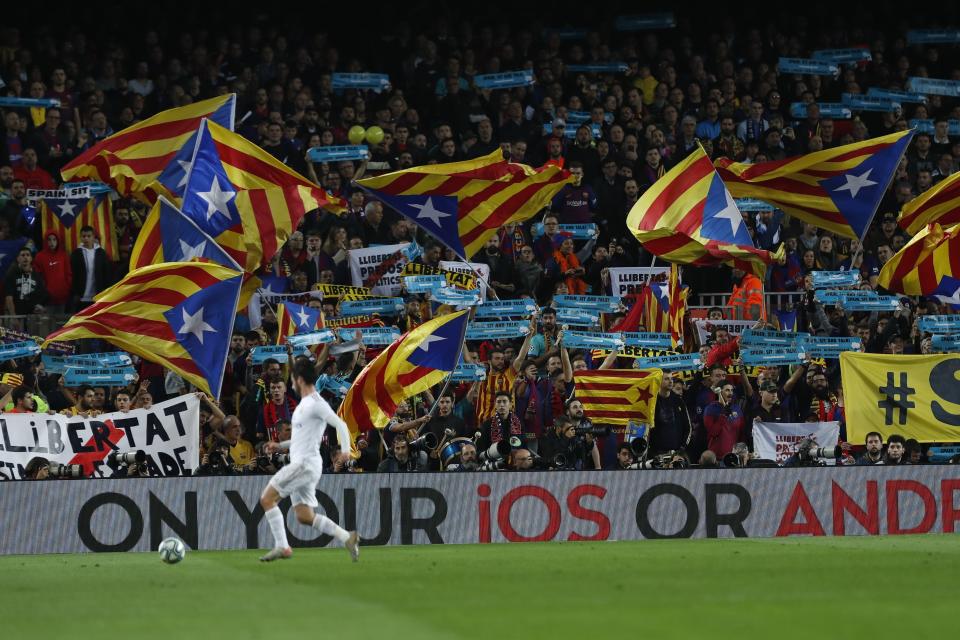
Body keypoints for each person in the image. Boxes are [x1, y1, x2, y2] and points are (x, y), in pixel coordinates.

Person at [258, 359, 359, 562]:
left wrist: (346, 451)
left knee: (267, 499)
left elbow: (340, 424)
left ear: (299, 379)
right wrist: (280, 446)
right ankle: (347, 537)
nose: (291, 382)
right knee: (304, 516)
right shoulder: (304, 404)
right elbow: (300, 439)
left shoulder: (315, 403)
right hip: (305, 463)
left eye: (293, 378)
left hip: (304, 464)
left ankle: (282, 546)